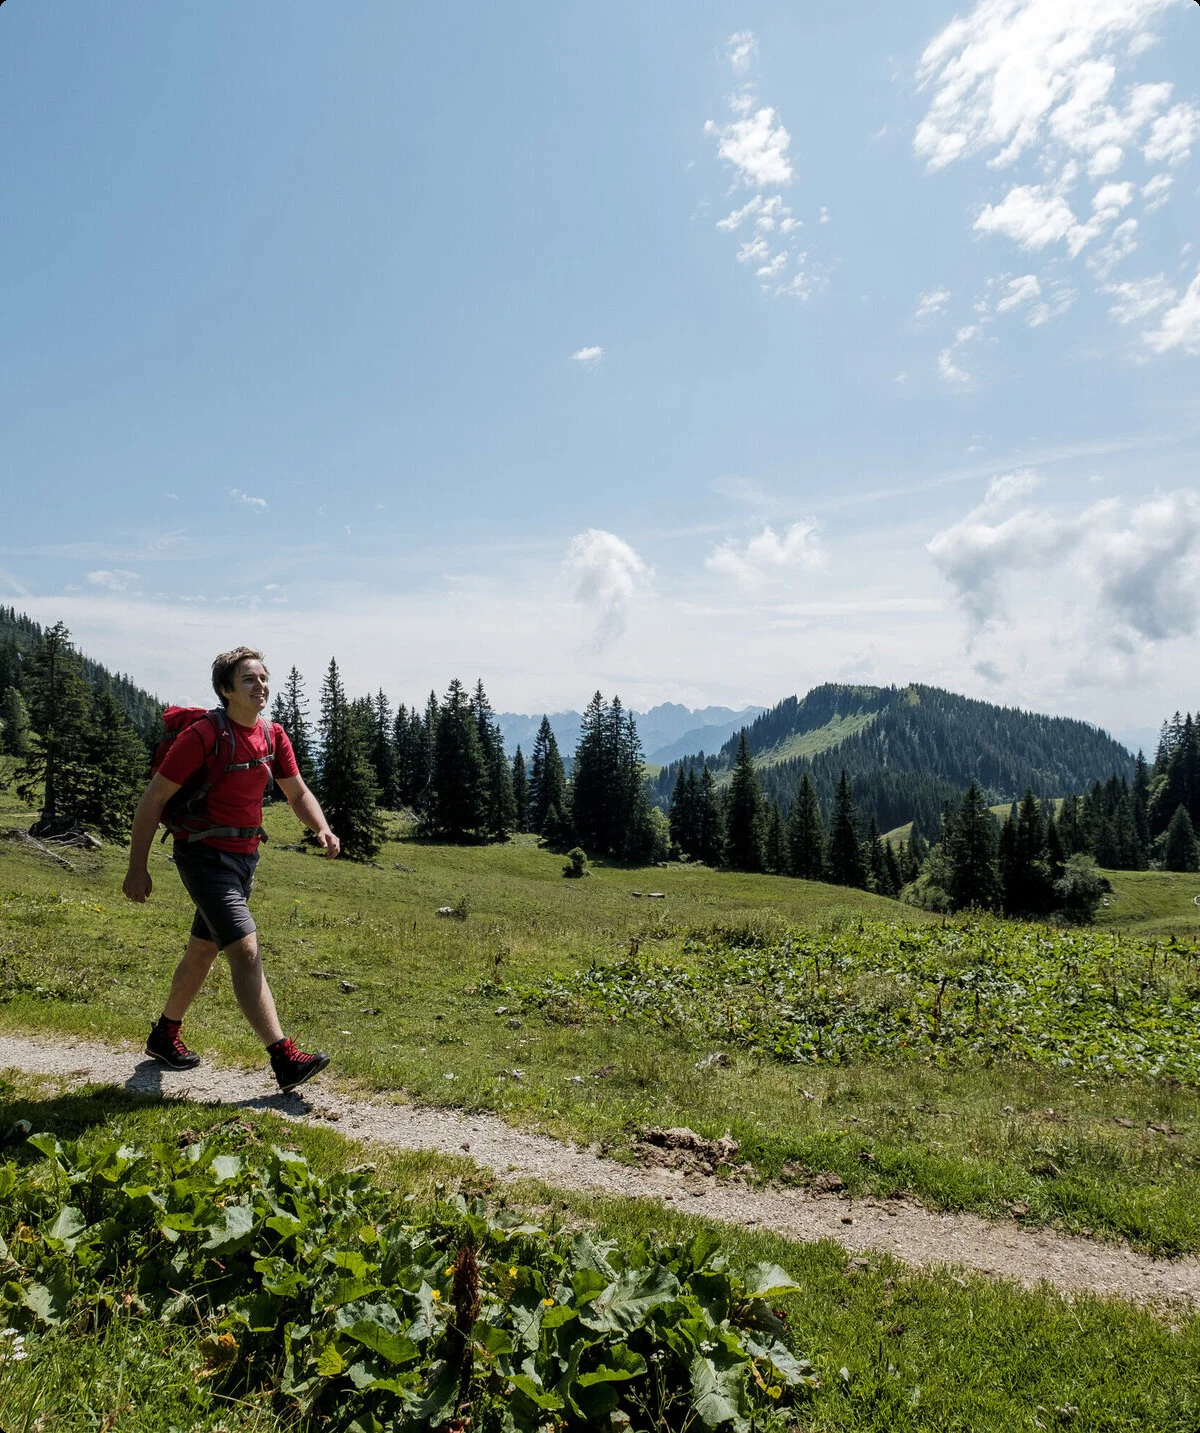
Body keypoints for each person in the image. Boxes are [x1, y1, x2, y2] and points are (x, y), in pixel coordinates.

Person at [123, 646, 340, 1093]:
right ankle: (284, 1057)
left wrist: (321, 827)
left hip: (244, 859)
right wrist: (136, 868)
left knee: (204, 949)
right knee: (244, 949)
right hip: (203, 857)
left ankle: (165, 1036)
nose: (260, 686)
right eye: (249, 680)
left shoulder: (273, 735)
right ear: (226, 689)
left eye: (263, 678)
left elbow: (297, 793)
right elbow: (153, 800)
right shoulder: (202, 736)